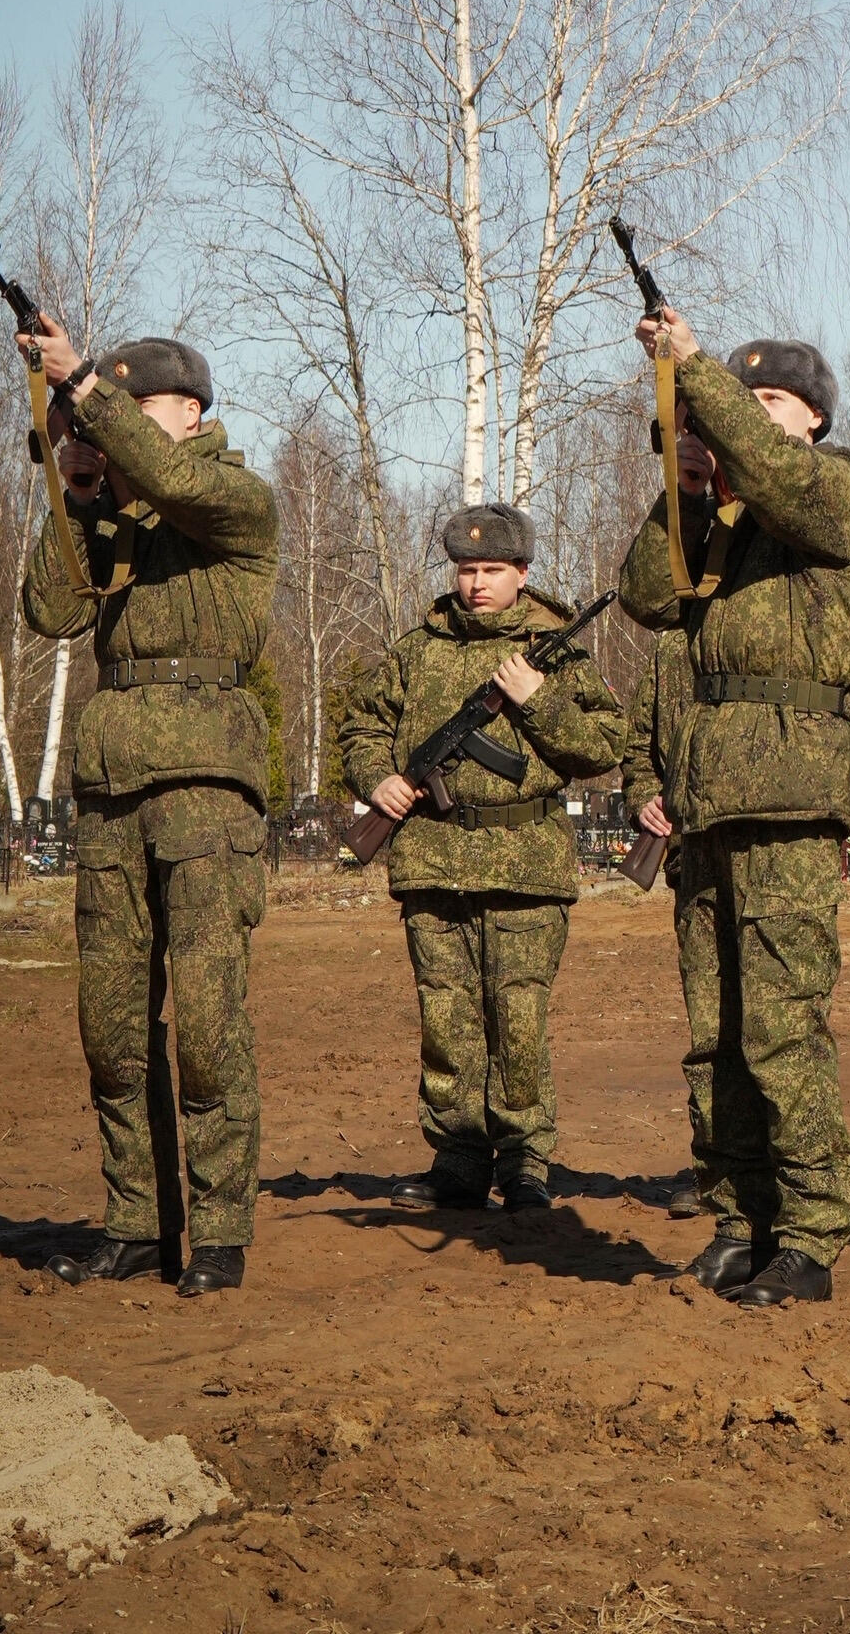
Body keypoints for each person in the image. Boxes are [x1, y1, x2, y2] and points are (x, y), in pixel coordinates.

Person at [20, 325, 278, 1298]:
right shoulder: (119, 517)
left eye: (138, 406)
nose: (116, 422)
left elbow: (176, 482)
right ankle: (135, 1220)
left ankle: (218, 1229)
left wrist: (85, 389)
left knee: (207, 1027)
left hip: (205, 785)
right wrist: (80, 490)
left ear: (192, 413)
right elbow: (50, 611)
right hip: (112, 787)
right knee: (112, 1028)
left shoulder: (235, 499)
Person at [619, 317, 850, 1306]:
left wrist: (695, 373)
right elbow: (646, 597)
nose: (748, 418)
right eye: (742, 400)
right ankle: (740, 1214)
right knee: (714, 1034)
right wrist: (684, 486)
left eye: (770, 402)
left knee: (780, 1027)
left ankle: (810, 1227)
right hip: (708, 803)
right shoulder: (719, 523)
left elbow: (778, 475)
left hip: (786, 799)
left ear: (813, 419)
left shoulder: (833, 491)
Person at [341, 505, 627, 1213]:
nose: (477, 584)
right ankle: (458, 1158)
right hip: (433, 860)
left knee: (518, 1019)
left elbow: (603, 746)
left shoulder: (555, 653)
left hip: (526, 867)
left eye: (493, 570)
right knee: (446, 1017)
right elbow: (361, 726)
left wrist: (538, 701)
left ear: (522, 573)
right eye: (467, 570)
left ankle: (525, 1161)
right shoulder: (417, 650)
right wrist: (378, 778)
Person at [621, 622, 703, 1219]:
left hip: (776, 862)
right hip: (694, 862)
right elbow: (639, 750)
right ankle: (716, 1164)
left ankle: (784, 1169)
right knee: (711, 1026)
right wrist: (643, 799)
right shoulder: (671, 649)